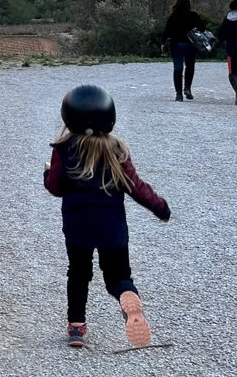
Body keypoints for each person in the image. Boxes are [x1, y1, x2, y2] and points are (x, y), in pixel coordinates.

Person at [43, 85, 170, 348]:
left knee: (78, 274)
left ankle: (76, 328)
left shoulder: (64, 149)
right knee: (117, 275)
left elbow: (55, 188)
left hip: (78, 228)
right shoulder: (116, 150)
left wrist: (47, 174)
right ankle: (127, 295)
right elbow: (137, 187)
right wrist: (161, 208)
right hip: (112, 229)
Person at [162, 0, 204, 101]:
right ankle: (187, 88)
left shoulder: (173, 16)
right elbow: (202, 28)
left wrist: (164, 44)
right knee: (190, 67)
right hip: (190, 45)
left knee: (177, 69)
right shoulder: (193, 15)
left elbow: (166, 33)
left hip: (176, 45)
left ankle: (179, 94)